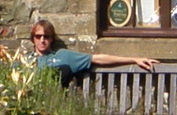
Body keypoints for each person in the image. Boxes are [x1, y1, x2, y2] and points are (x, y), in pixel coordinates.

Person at [28, 18, 157, 82]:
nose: (42, 40)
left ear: (52, 39)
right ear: (33, 39)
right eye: (38, 36)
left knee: (64, 69)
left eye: (46, 36)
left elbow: (98, 58)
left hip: (52, 103)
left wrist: (134, 59)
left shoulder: (63, 56)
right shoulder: (24, 60)